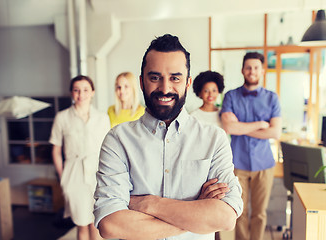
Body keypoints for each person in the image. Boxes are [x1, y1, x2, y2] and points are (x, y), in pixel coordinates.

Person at [93, 34, 243, 240]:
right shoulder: (117, 140)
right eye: (155, 77)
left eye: (175, 78)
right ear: (142, 82)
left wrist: (148, 204)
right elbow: (111, 225)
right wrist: (196, 213)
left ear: (188, 82)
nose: (165, 88)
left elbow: (225, 217)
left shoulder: (214, 139)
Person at [220, 52, 282, 240]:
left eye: (256, 67)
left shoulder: (272, 98)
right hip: (237, 163)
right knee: (239, 211)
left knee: (259, 213)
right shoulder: (230, 96)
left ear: (262, 71)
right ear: (242, 70)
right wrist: (260, 124)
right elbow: (228, 127)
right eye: (248, 67)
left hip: (264, 164)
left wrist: (241, 128)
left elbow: (275, 133)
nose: (252, 71)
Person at [50, 75, 110, 240]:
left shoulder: (103, 118)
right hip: (73, 174)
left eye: (85, 90)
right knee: (81, 222)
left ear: (92, 92)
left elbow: (109, 150)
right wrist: (62, 177)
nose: (81, 94)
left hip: (98, 174)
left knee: (96, 223)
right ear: (71, 93)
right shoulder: (62, 117)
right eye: (76, 90)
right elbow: (56, 150)